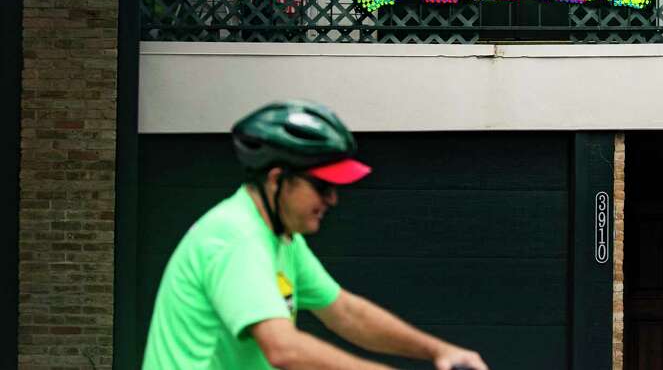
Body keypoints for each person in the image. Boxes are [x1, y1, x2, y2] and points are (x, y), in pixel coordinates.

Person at [142, 100, 488, 370]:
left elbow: (346, 313)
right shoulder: (237, 238)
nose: (332, 199)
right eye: (323, 186)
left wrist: (439, 350)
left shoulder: (280, 238)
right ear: (277, 180)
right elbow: (284, 350)